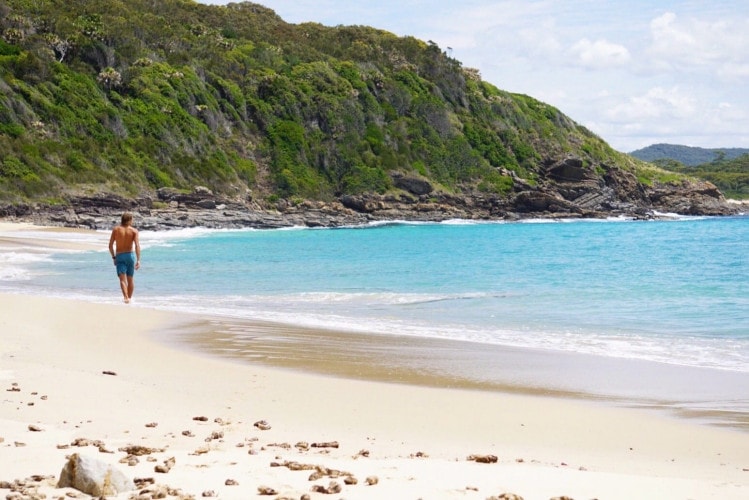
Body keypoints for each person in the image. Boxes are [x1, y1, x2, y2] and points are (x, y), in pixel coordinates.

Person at [108, 212, 141, 304]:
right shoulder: (134, 231)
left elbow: (110, 245)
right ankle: (129, 299)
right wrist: (138, 260)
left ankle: (126, 298)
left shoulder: (116, 229)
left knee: (122, 279)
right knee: (130, 279)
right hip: (130, 256)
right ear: (130, 220)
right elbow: (137, 245)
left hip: (120, 256)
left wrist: (114, 257)